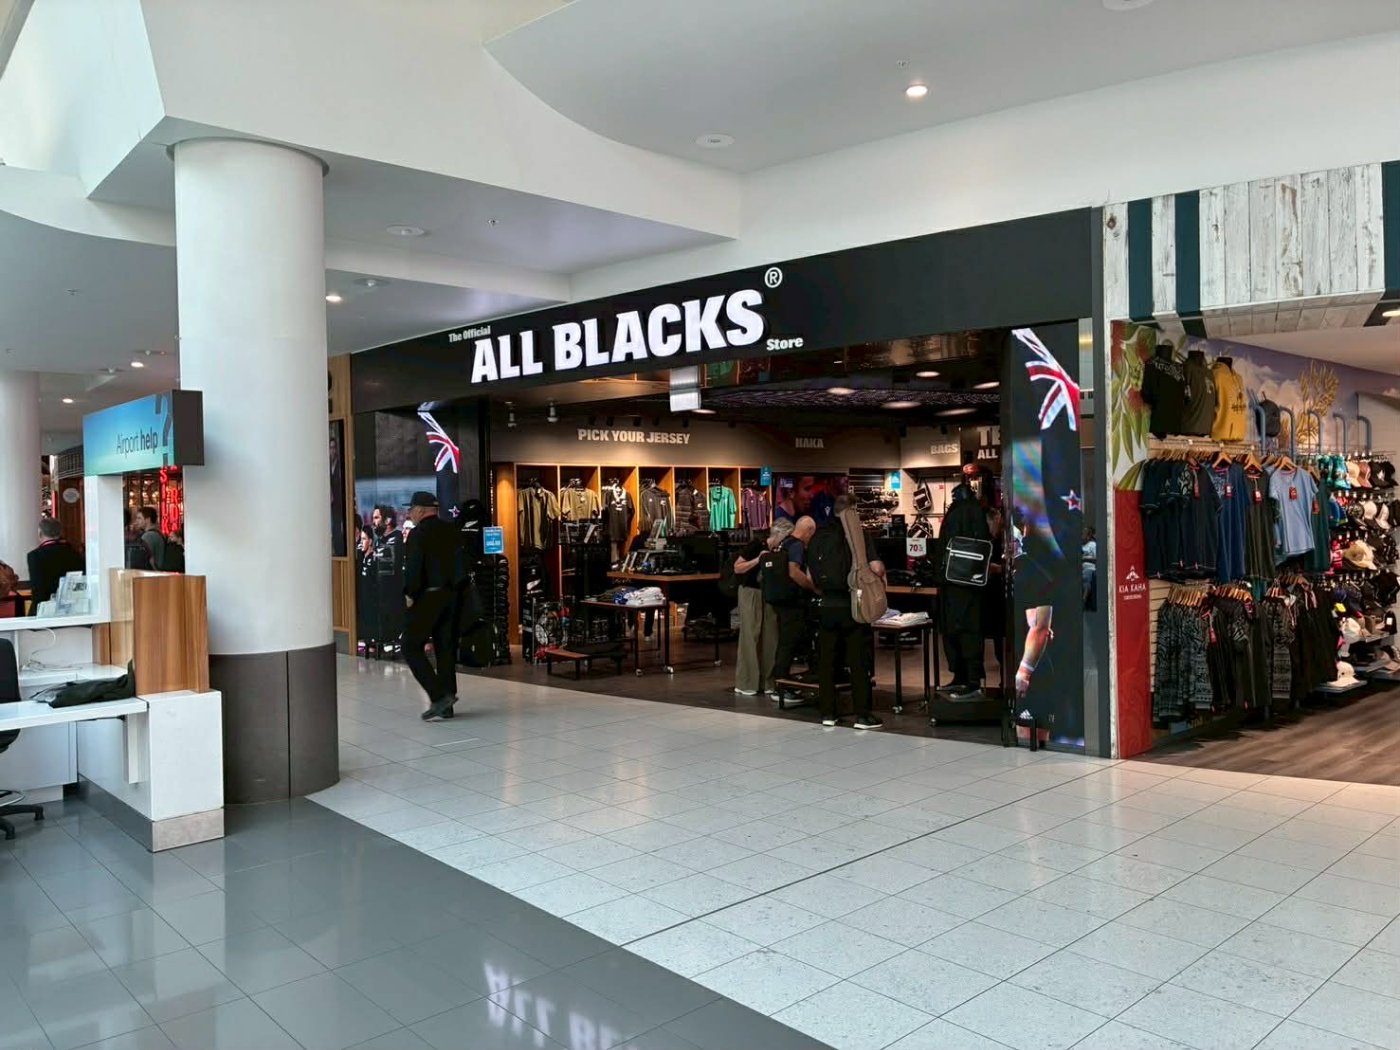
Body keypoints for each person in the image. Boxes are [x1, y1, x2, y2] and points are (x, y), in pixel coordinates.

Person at [809, 497, 885, 730]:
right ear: (852, 511)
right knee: (858, 661)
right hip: (853, 604)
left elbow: (811, 575)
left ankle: (828, 713)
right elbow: (875, 567)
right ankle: (862, 715)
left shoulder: (818, 536)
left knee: (827, 661)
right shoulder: (858, 535)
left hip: (826, 605)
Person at [401, 491, 465, 720]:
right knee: (445, 648)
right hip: (452, 596)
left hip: (428, 597)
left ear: (420, 510)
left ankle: (439, 696)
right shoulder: (451, 530)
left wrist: (410, 593)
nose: (410, 514)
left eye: (411, 510)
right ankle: (447, 703)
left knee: (410, 646)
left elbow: (414, 569)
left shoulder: (418, 534)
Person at [937, 477, 991, 700]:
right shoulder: (976, 512)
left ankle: (966, 679)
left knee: (958, 631)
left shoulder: (957, 512)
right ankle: (969, 679)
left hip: (953, 582)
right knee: (967, 631)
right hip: (969, 582)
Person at [732, 519, 793, 697]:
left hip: (769, 594)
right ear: (778, 535)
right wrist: (758, 560)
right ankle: (747, 682)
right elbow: (738, 568)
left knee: (770, 637)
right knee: (751, 636)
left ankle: (768, 681)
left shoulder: (782, 550)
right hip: (751, 592)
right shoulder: (756, 545)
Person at [767, 515, 817, 697]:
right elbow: (794, 571)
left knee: (787, 641)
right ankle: (781, 685)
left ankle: (782, 682)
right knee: (788, 643)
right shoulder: (796, 546)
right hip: (793, 602)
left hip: (780, 599)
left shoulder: (783, 543)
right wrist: (813, 587)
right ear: (809, 531)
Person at [26, 517, 84, 609]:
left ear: (40, 533)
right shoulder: (74, 553)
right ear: (60, 533)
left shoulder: (35, 556)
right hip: (71, 606)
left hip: (46, 607)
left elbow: (37, 589)